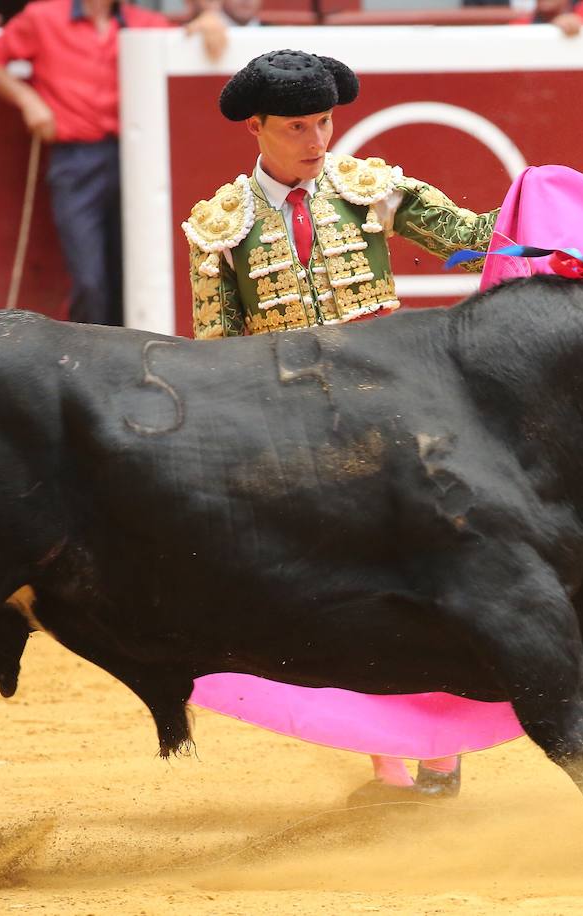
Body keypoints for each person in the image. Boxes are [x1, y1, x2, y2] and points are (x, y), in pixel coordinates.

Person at [185, 49, 499, 800]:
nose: (319, 140)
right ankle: (388, 759)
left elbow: (476, 241)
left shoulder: (371, 191)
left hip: (397, 416)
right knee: (342, 598)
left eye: (326, 121)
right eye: (298, 126)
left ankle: (441, 749)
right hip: (295, 434)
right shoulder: (219, 227)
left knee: (447, 571)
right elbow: (217, 359)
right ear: (256, 126)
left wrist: (549, 213)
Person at [0, 0, 226, 327]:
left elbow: (184, 42)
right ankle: (86, 355)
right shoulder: (43, 17)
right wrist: (29, 100)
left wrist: (208, 19)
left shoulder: (142, 21)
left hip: (137, 158)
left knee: (133, 272)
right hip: (75, 158)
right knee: (90, 278)